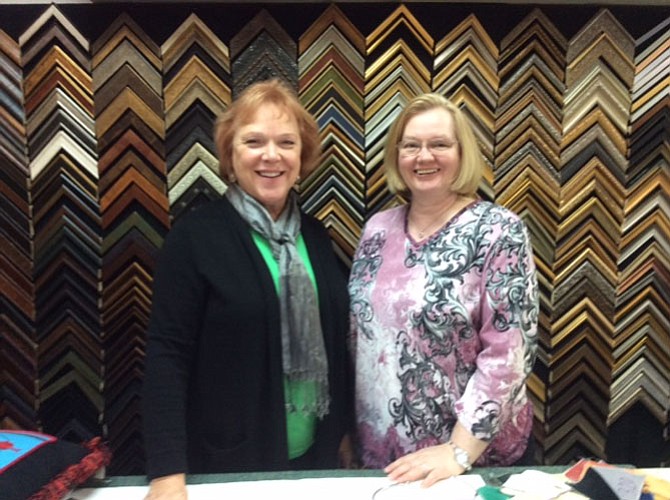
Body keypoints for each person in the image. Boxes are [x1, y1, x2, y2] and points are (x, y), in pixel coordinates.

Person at [142, 78, 353, 499]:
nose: (271, 155)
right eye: (254, 141)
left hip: (316, 455)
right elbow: (167, 356)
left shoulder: (313, 236)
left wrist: (342, 431)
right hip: (230, 463)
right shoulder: (195, 238)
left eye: (286, 143)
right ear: (230, 154)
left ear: (302, 156)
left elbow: (335, 342)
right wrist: (166, 474)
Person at [348, 93, 539, 487]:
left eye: (439, 144)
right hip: (386, 459)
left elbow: (510, 353)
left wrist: (458, 451)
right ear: (396, 154)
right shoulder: (377, 230)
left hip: (469, 460)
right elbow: (361, 337)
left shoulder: (498, 231)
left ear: (461, 152)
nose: (424, 156)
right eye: (411, 145)